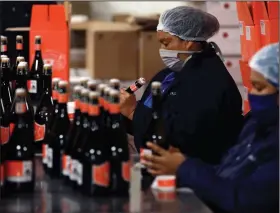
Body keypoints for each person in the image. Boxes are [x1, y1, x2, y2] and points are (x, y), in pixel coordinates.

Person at [142, 43, 279, 213]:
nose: (253, 95)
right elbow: (227, 171)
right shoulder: (256, 123)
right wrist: (180, 162)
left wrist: (185, 168)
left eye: (260, 88)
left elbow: (246, 200)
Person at [120, 6, 243, 164]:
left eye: (166, 42)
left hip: (191, 173)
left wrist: (133, 112)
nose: (162, 50)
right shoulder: (171, 74)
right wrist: (125, 112)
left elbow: (181, 136)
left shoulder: (209, 83)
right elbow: (159, 112)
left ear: (188, 43)